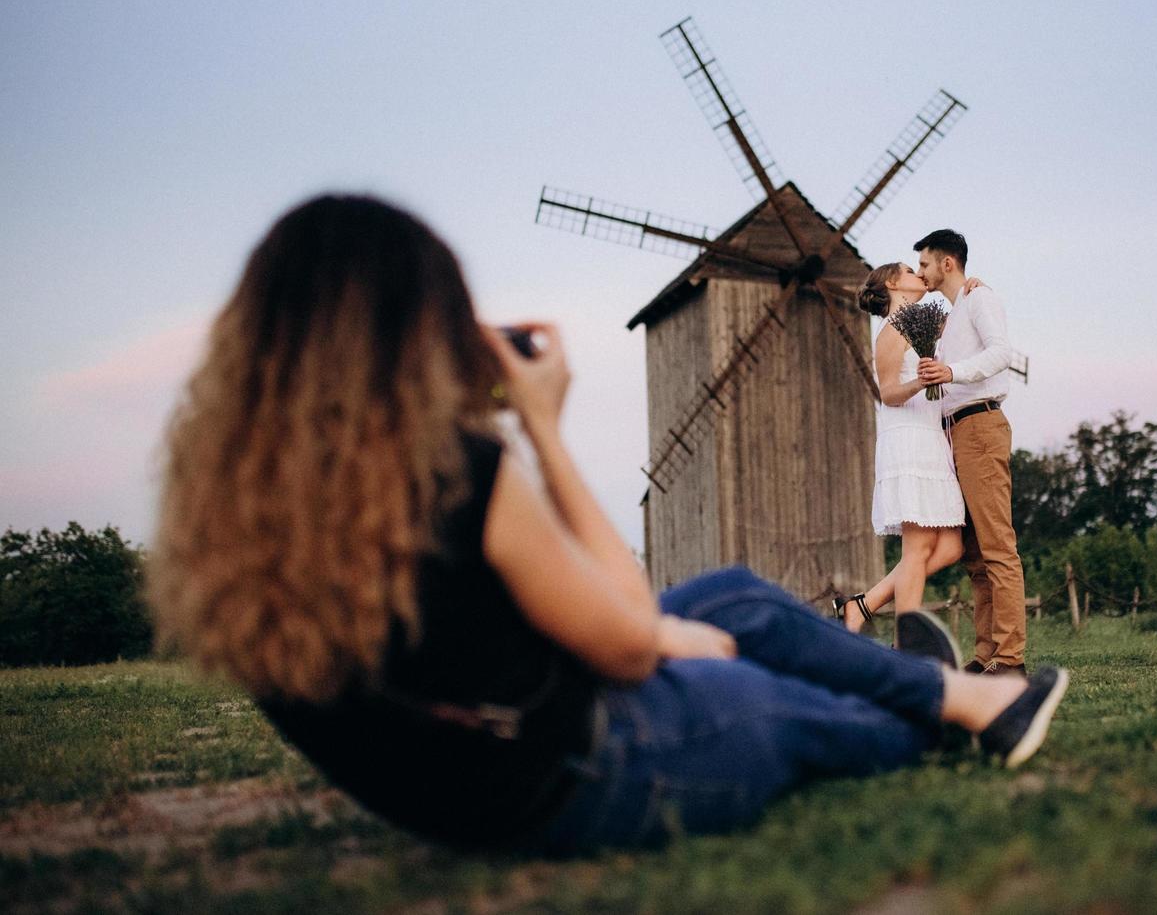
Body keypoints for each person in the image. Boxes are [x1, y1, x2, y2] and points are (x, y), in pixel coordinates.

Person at [148, 195, 1068, 855]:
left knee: (734, 599)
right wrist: (541, 431)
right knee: (782, 715)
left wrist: (676, 633)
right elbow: (625, 644)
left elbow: (479, 651)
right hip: (584, 773)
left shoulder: (237, 526)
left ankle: (930, 686)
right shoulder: (453, 480)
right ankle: (954, 708)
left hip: (473, 786)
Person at [914, 229, 1029, 676]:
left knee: (998, 546)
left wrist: (951, 370)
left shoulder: (979, 299)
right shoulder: (952, 314)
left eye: (925, 263)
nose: (920, 271)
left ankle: (1011, 657)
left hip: (980, 425)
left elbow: (1002, 353)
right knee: (975, 554)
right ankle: (986, 655)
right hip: (955, 433)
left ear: (947, 263)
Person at [840, 262, 966, 662]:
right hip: (908, 439)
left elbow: (962, 323)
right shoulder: (892, 329)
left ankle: (862, 605)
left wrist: (970, 292)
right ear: (894, 284)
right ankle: (906, 646)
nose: (919, 275)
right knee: (917, 550)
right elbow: (889, 393)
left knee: (950, 548)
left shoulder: (923, 322)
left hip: (930, 437)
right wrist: (922, 382)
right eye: (912, 270)